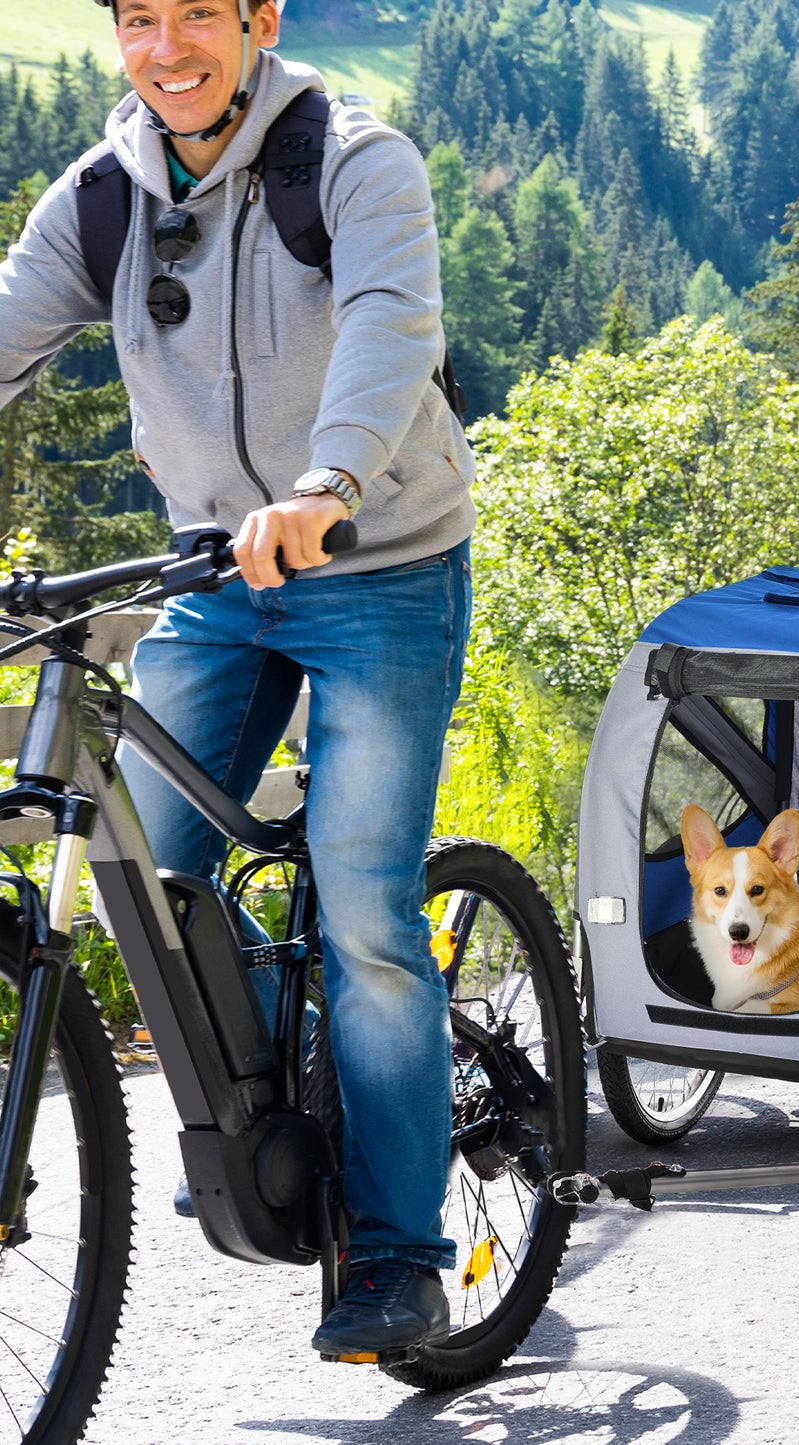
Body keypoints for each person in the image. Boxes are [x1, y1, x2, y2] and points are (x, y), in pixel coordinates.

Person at [0, 0, 476, 1356]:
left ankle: (395, 1250)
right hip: (215, 576)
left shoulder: (354, 163)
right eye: (137, 18)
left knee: (370, 917)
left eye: (197, 13)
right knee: (153, 873)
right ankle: (290, 1078)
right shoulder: (100, 199)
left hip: (378, 563)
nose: (167, 47)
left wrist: (328, 484)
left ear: (259, 19)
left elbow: (389, 332)